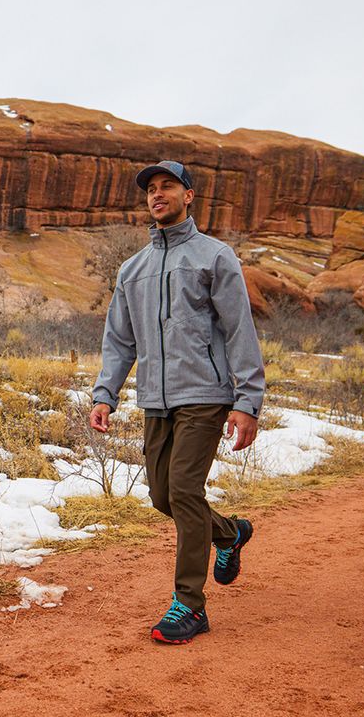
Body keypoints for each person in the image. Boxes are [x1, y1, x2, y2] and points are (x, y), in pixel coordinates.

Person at [90, 160, 265, 645]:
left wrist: (248, 400)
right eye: (151, 189)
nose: (157, 194)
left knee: (185, 491)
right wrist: (106, 392)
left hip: (206, 395)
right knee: (163, 496)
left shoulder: (214, 256)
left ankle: (189, 605)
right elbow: (119, 340)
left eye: (168, 186)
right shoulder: (133, 270)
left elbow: (238, 330)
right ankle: (229, 534)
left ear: (189, 195)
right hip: (156, 400)